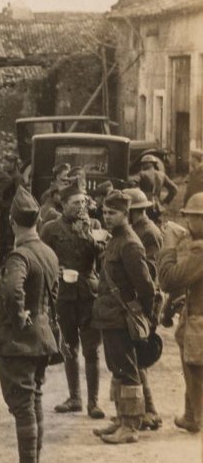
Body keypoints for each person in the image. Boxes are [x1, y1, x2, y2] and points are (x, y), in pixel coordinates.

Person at [0, 186, 60, 463]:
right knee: (34, 401)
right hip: (42, 337)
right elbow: (50, 293)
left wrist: (17, 315)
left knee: (22, 405)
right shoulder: (47, 252)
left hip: (18, 341)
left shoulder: (20, 254)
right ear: (38, 218)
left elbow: (12, 288)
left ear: (12, 222)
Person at [91, 190, 156, 444]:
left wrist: (144, 315)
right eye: (105, 212)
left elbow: (146, 286)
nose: (107, 217)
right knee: (117, 367)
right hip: (109, 315)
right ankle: (121, 418)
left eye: (113, 213)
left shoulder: (129, 243)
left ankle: (131, 426)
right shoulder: (115, 240)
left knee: (128, 371)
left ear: (126, 214)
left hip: (122, 316)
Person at [40, 184, 106, 419]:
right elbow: (42, 258)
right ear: (64, 204)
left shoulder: (95, 226)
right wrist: (54, 271)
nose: (80, 207)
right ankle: (75, 397)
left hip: (89, 294)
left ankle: (93, 403)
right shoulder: (51, 229)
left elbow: (103, 261)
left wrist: (96, 243)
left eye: (83, 203)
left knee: (92, 349)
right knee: (68, 347)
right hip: (64, 296)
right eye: (75, 203)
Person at [159, 193, 203, 440]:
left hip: (199, 318)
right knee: (193, 364)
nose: (188, 223)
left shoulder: (200, 252)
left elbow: (170, 280)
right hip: (195, 315)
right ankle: (191, 415)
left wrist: (169, 247)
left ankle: (196, 417)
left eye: (193, 219)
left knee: (195, 367)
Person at [126, 187, 164, 430]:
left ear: (134, 212)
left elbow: (149, 272)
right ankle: (143, 411)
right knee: (135, 359)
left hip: (146, 301)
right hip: (141, 299)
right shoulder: (140, 229)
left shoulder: (148, 232)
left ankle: (149, 411)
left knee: (139, 359)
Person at [0, 154, 23, 272]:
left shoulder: (17, 177)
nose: (5, 165)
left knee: (9, 238)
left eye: (8, 163)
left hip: (11, 211)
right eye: (5, 162)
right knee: (1, 237)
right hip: (4, 211)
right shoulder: (6, 176)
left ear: (14, 164)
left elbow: (18, 196)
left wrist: (6, 205)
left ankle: (6, 264)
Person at [131, 154, 178, 221]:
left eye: (143, 164)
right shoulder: (162, 175)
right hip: (158, 206)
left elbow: (133, 182)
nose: (142, 166)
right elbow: (174, 189)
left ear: (148, 164)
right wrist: (165, 202)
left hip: (145, 204)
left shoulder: (142, 174)